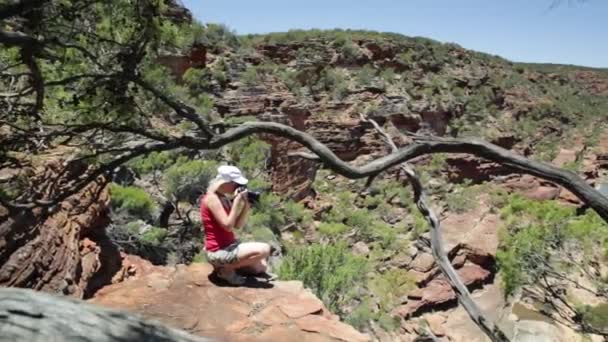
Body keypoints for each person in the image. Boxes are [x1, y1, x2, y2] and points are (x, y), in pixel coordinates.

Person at [200, 165, 273, 285]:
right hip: (218, 251)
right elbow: (228, 226)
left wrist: (246, 206)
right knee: (264, 250)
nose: (238, 187)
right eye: (236, 184)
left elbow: (237, 225)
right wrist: (236, 202)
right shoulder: (212, 199)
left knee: (261, 267)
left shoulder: (222, 197)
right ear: (226, 182)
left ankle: (228, 266)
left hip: (230, 246)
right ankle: (227, 270)